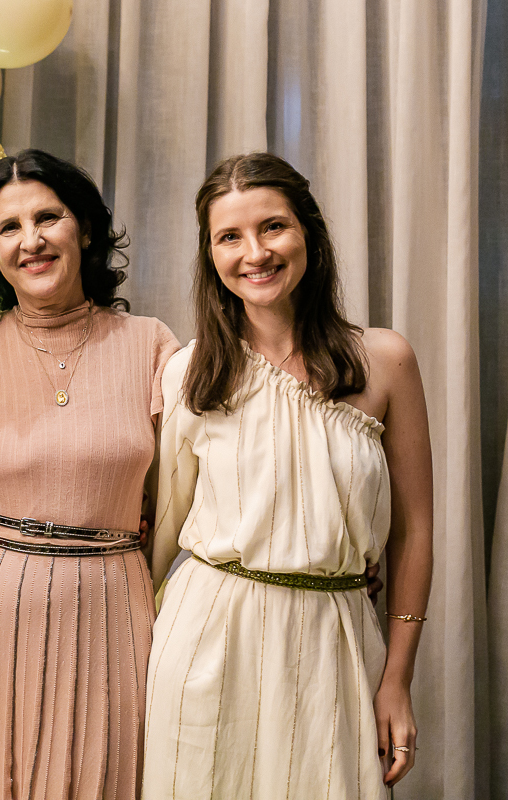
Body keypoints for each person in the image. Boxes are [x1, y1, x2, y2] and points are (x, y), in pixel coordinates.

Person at [142, 153, 432, 799]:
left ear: (308, 231)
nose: (255, 253)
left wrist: (397, 679)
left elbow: (414, 533)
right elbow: (160, 532)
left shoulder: (386, 360)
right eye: (230, 236)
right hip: (209, 642)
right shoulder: (190, 373)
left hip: (337, 642)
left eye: (272, 226)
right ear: (211, 255)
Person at [0, 149, 180, 800]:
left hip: (113, 608)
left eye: (48, 218)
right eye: (8, 227)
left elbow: (182, 493)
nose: (30, 240)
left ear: (84, 229)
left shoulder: (153, 344)